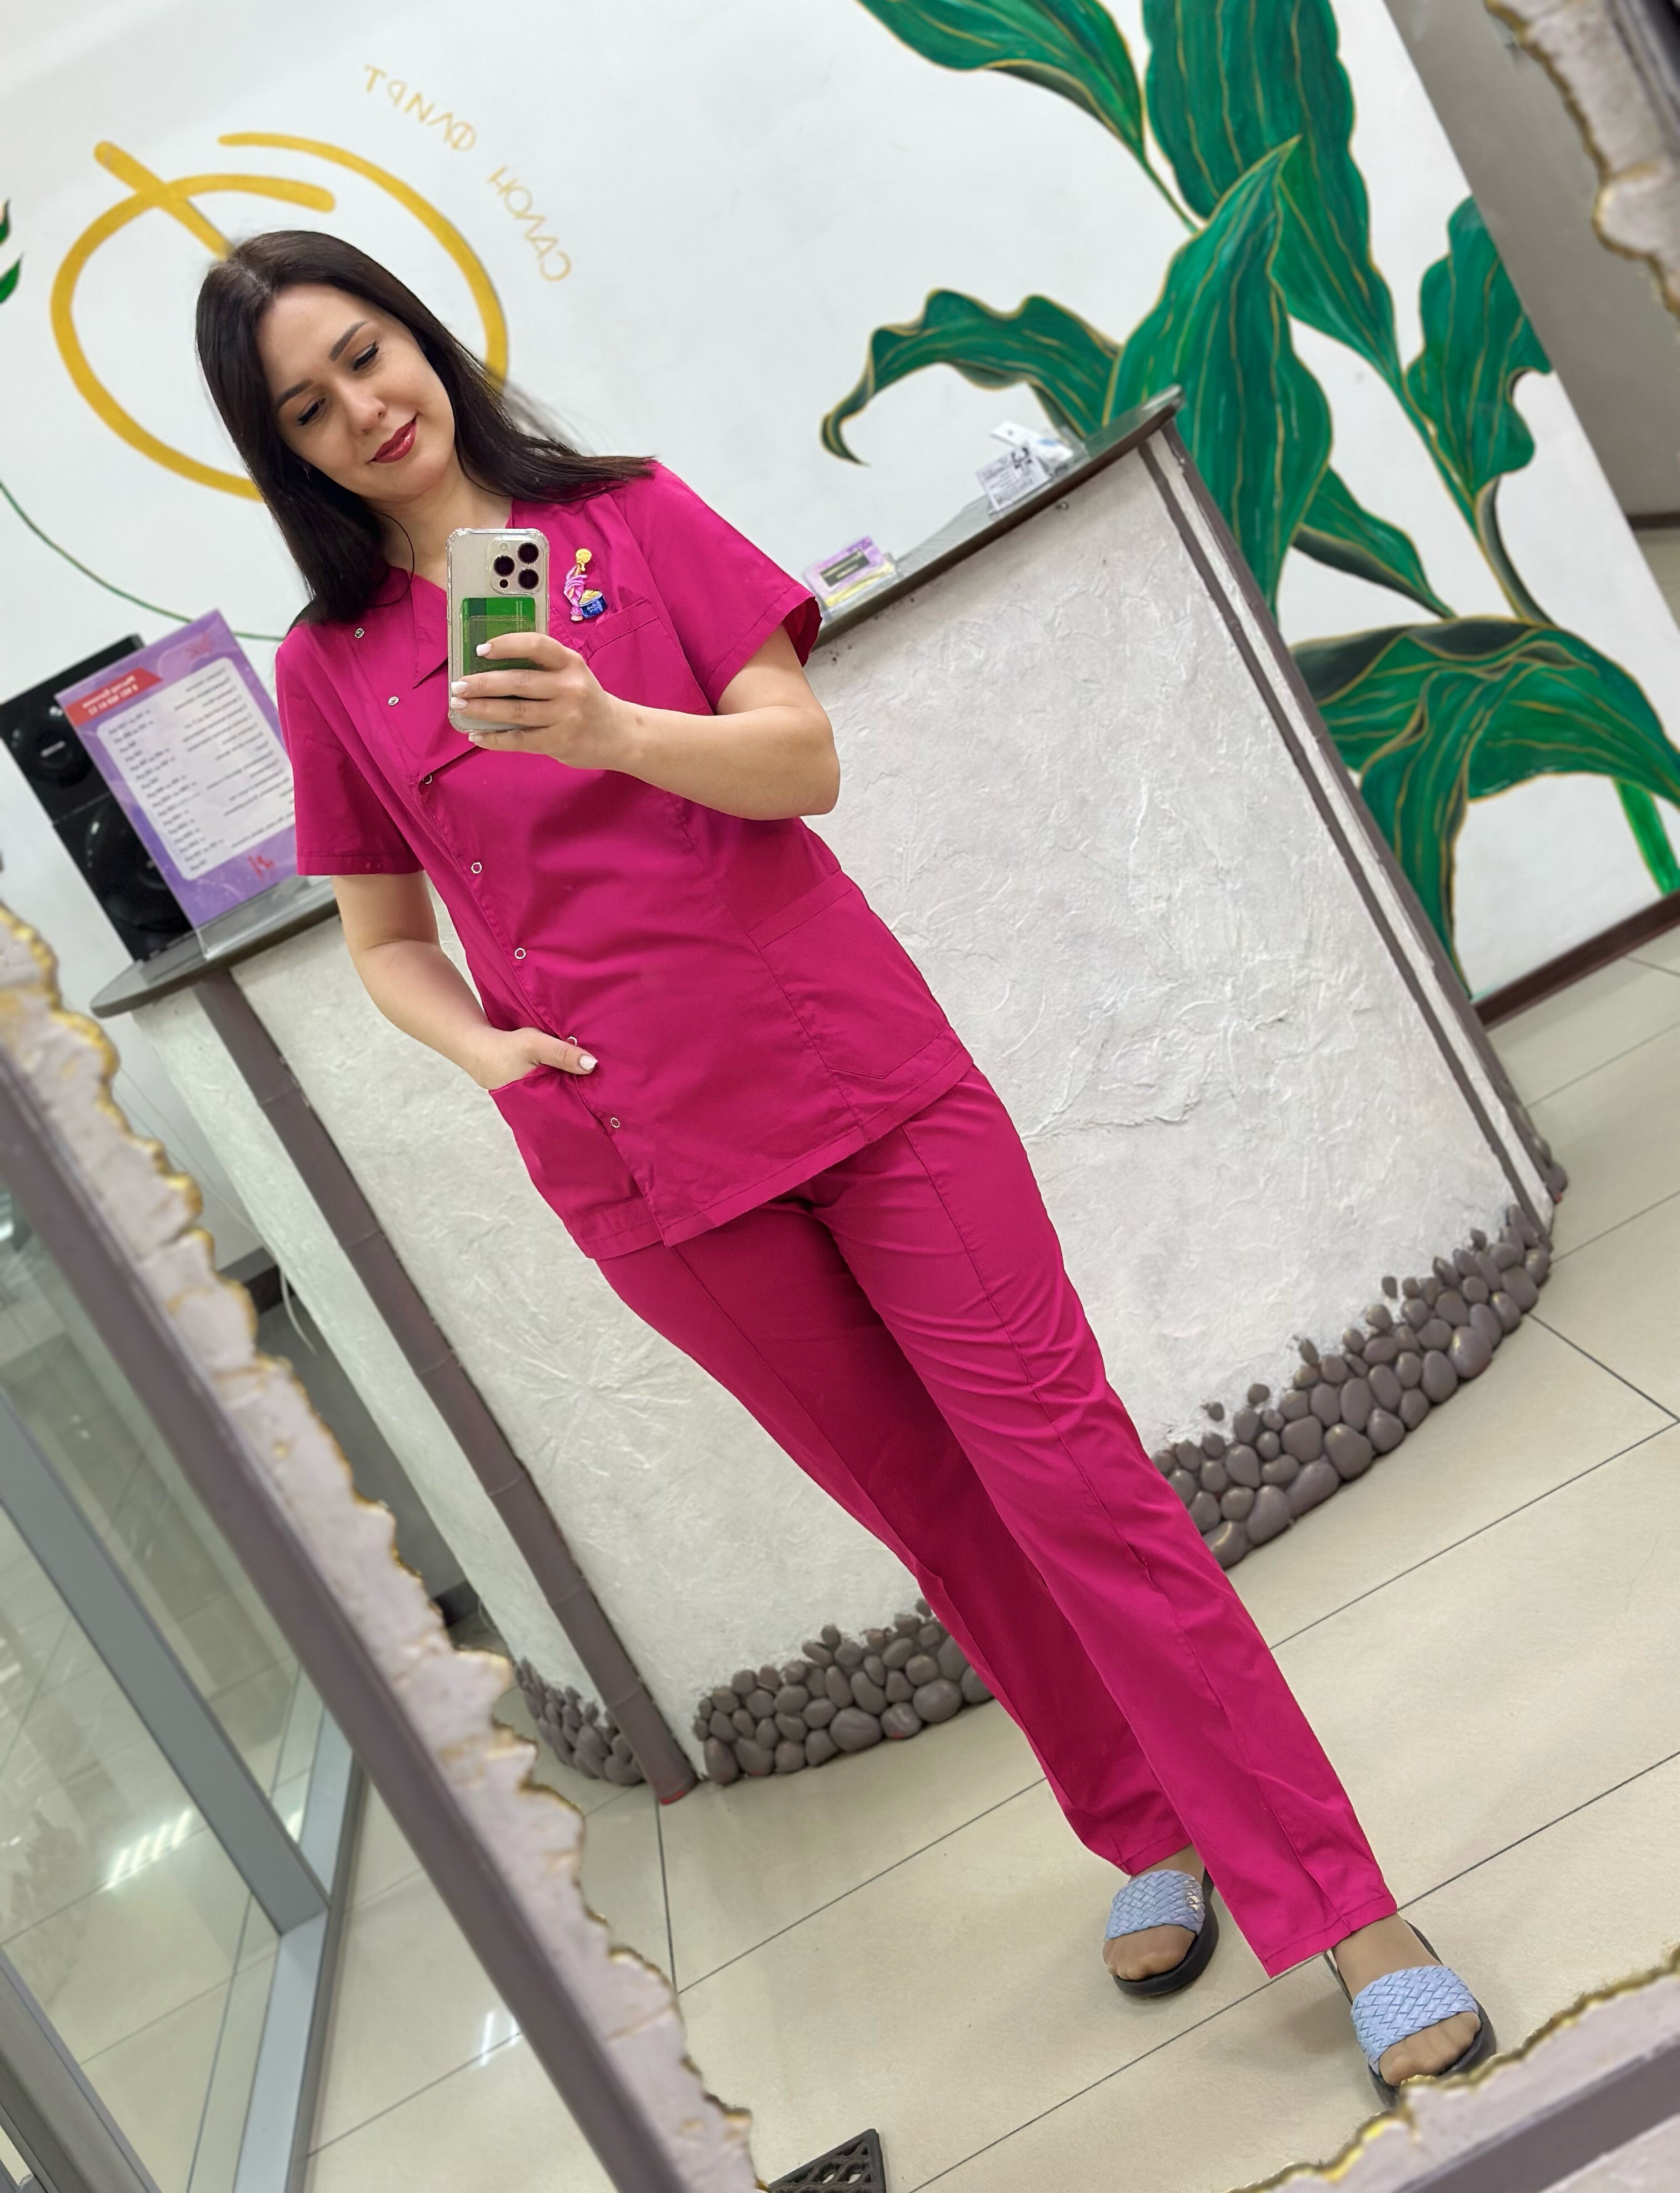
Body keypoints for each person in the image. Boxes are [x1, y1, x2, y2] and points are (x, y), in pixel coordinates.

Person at [197, 231, 1492, 2108]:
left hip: (861, 1085)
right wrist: (484, 1051)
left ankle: (1346, 1907)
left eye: (367, 355)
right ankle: (1143, 1822)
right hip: (641, 1166)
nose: (362, 412)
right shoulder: (331, 670)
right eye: (306, 408)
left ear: (424, 339)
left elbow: (798, 765)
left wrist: (610, 726)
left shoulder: (629, 518)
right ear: (286, 451)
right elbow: (384, 940)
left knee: (1075, 1487)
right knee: (940, 1522)